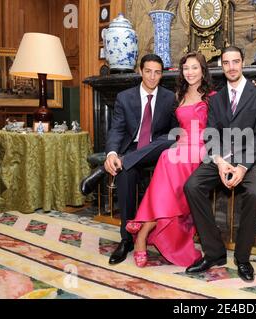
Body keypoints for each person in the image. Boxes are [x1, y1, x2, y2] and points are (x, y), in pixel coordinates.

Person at [184, 46, 256, 282]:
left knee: (255, 193)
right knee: (192, 186)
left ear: (243, 63)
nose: (231, 67)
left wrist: (243, 167)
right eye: (226, 63)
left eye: (236, 61)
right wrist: (221, 162)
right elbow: (211, 133)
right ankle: (214, 253)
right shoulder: (216, 98)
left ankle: (243, 258)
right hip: (223, 156)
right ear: (221, 66)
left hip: (254, 158)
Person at [80, 54, 178, 265]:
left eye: (158, 72)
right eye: (149, 71)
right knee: (124, 172)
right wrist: (112, 154)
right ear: (141, 71)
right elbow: (117, 130)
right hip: (131, 148)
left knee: (168, 139)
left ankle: (103, 171)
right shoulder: (125, 97)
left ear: (162, 74)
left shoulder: (169, 98)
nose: (153, 77)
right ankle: (126, 240)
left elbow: (173, 130)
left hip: (156, 149)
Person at [124, 52, 213, 267]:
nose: (190, 72)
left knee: (172, 159)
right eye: (186, 68)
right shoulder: (178, 95)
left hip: (201, 147)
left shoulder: (213, 96)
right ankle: (145, 229)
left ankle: (143, 229)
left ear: (202, 70)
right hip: (182, 144)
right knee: (167, 155)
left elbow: (233, 107)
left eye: (194, 68)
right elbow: (173, 128)